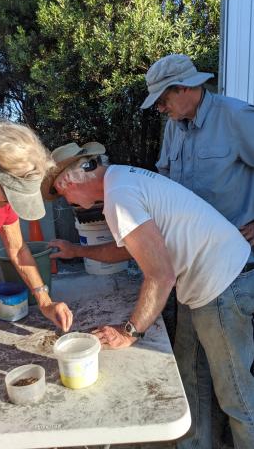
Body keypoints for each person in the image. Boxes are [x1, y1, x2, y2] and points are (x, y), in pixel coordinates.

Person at [43, 142, 254, 449]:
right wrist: (76, 250)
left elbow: (160, 275)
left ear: (68, 181)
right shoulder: (122, 180)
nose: (70, 201)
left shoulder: (119, 196)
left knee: (237, 396)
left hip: (222, 285)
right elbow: (128, 249)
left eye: (64, 195)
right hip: (208, 284)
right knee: (191, 376)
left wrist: (130, 332)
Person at [140, 53, 254, 447]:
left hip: (230, 276)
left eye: (163, 98)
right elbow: (165, 188)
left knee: (236, 390)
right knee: (191, 370)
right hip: (189, 271)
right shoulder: (175, 126)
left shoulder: (235, 117)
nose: (160, 107)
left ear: (187, 88)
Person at [0, 115, 73, 332]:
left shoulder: (1, 202)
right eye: (9, 195)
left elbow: (17, 250)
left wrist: (44, 300)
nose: (9, 204)